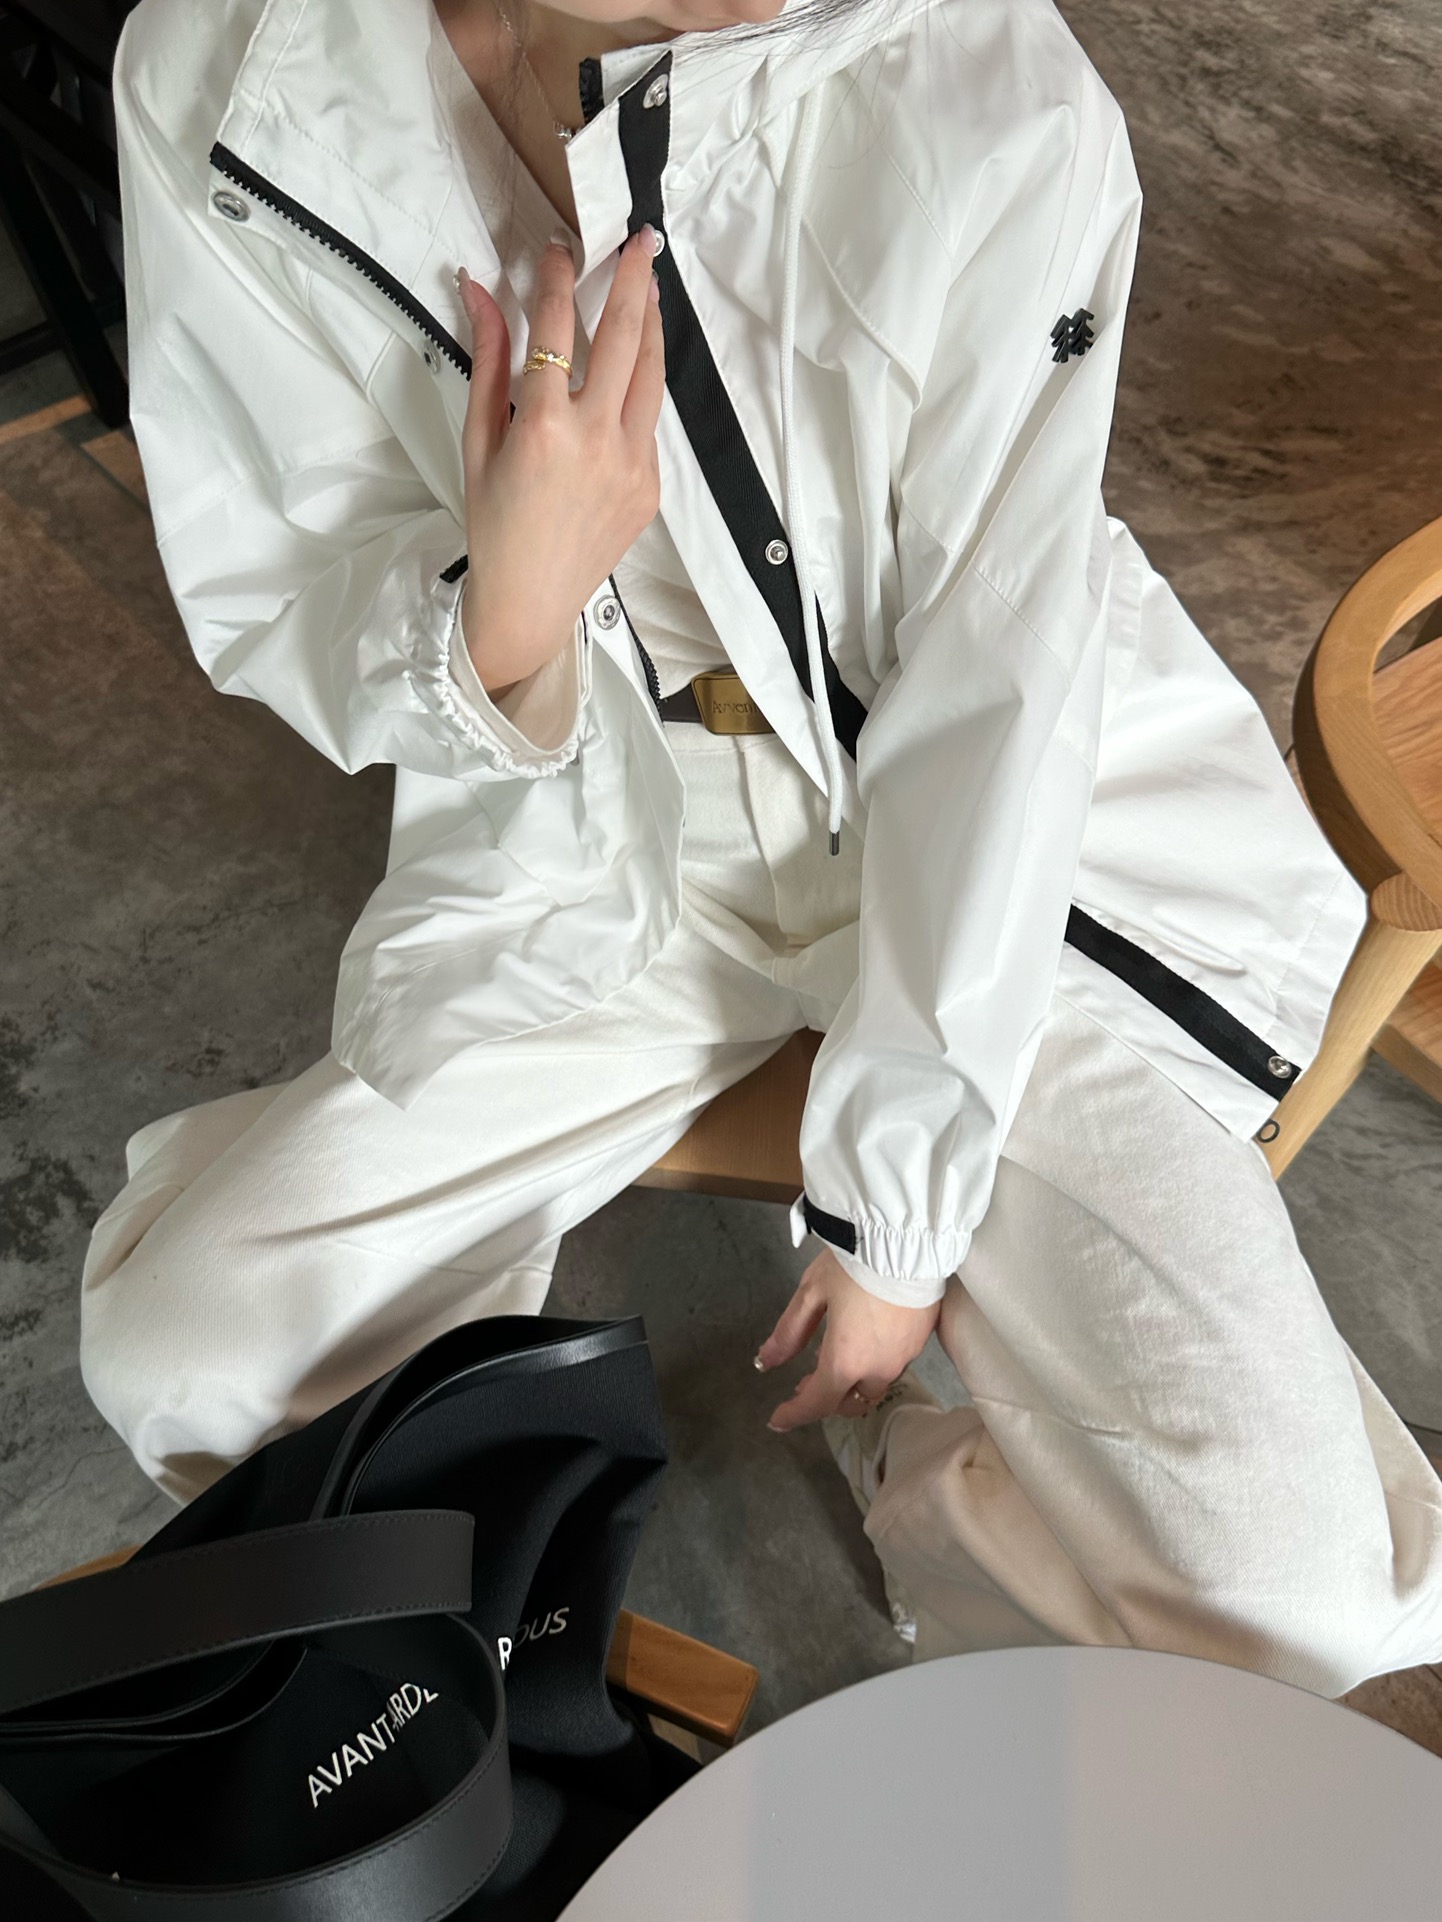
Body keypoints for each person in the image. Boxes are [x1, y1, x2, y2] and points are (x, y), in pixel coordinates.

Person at [83, 0, 1442, 1698]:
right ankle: (496, 1672)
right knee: (189, 1350)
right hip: (596, 828)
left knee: (1291, 1595)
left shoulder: (978, 73)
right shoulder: (223, 64)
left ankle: (936, 1512)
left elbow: (994, 672)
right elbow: (277, 576)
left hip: (999, 841)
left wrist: (896, 1225)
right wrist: (504, 615)